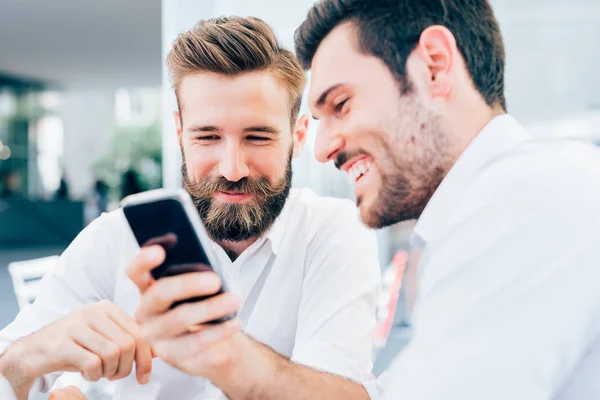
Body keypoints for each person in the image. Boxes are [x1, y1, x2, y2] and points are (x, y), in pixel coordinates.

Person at [0, 17, 381, 400]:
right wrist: (32, 354)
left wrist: (226, 357)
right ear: (180, 133)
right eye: (208, 136)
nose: (232, 169)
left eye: (258, 137)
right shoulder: (113, 238)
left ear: (297, 137)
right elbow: (12, 368)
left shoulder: (333, 232)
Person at [294, 0, 600, 399]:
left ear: (434, 66)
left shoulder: (517, 203)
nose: (322, 148)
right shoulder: (518, 195)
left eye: (341, 104)